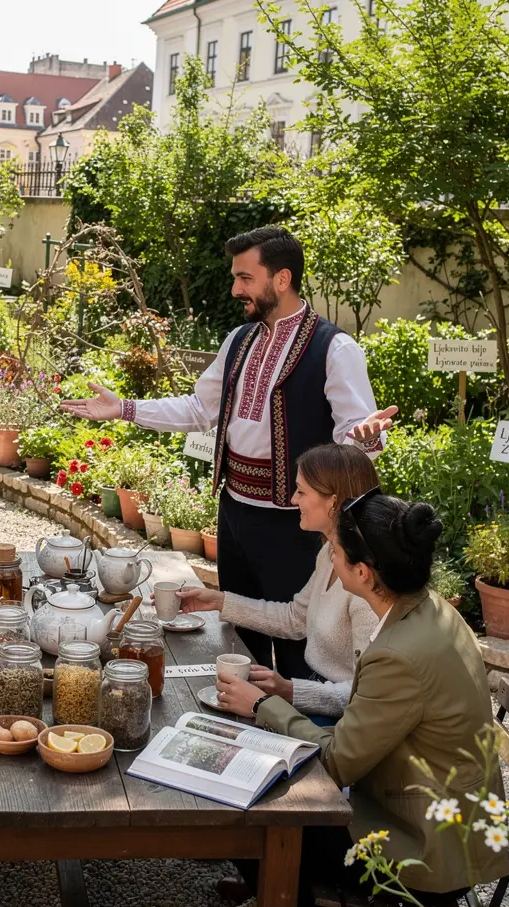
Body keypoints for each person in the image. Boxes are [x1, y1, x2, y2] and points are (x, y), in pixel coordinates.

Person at [208, 491, 508, 907]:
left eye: (338, 552)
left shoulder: (398, 652)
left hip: (429, 846)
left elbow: (335, 766)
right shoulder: (429, 612)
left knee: (269, 822)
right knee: (263, 798)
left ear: (366, 572)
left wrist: (267, 706)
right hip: (438, 812)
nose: (330, 558)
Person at [60, 226, 396, 679]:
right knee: (241, 636)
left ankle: (300, 735)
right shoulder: (239, 340)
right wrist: (124, 408)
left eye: (245, 277)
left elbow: (354, 442)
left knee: (297, 645)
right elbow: (200, 409)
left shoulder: (335, 348)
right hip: (235, 513)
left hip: (295, 524)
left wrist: (368, 437)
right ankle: (246, 728)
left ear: (282, 278)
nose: (236, 288)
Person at [177, 444, 379, 727]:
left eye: (302, 491)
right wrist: (219, 602)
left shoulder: (366, 583)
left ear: (333, 502)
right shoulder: (330, 553)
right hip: (315, 698)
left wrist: (288, 691)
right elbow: (295, 618)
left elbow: (366, 696)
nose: (293, 500)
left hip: (339, 723)